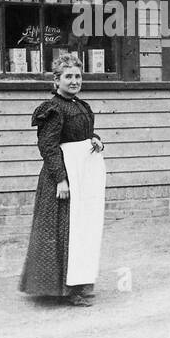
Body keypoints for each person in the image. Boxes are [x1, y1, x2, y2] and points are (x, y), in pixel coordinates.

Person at [19, 53, 105, 306]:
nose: (74, 81)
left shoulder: (79, 105)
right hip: (63, 179)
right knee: (66, 230)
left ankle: (78, 283)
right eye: (68, 77)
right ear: (56, 80)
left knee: (81, 229)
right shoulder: (54, 108)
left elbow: (82, 134)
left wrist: (96, 140)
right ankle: (68, 290)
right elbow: (48, 146)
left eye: (78, 76)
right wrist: (61, 180)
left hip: (82, 176)